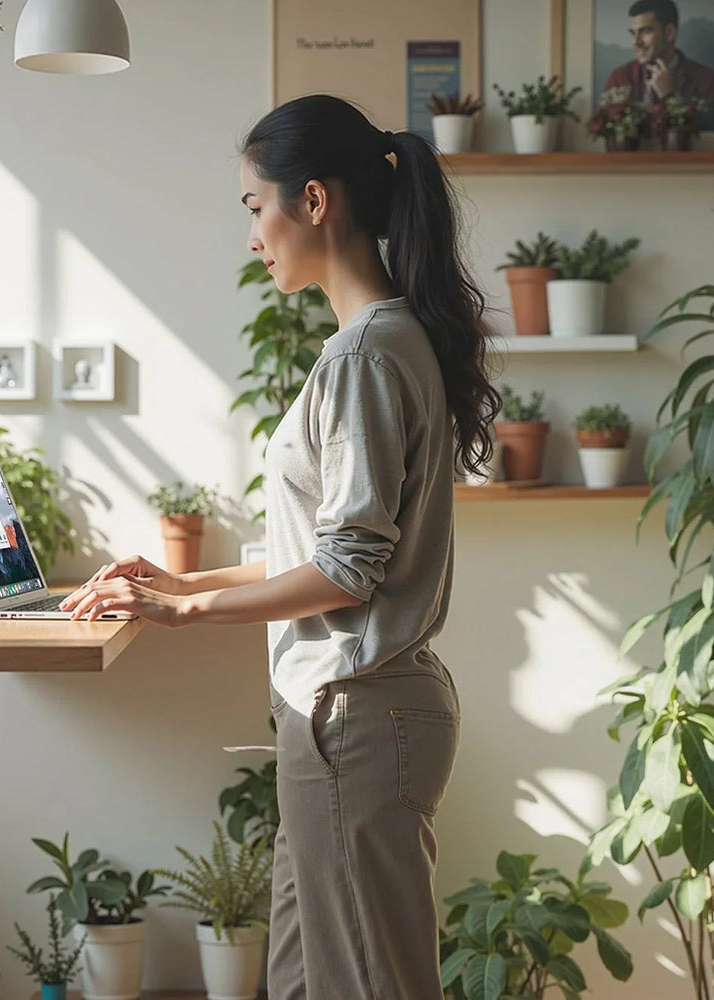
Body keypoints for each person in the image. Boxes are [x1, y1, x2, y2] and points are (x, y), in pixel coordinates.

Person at [59, 94, 500, 999]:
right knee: (306, 984)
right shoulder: (379, 344)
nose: (253, 235)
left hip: (358, 713)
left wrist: (184, 609)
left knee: (365, 985)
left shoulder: (365, 358)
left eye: (255, 207)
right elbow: (318, 552)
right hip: (346, 714)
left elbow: (343, 572)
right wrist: (178, 577)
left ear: (312, 201)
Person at [603, 0, 714, 132]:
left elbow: (707, 139)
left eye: (645, 31)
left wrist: (668, 95)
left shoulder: (706, 80)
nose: (636, 42)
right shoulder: (619, 77)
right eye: (633, 33)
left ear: (670, 32)